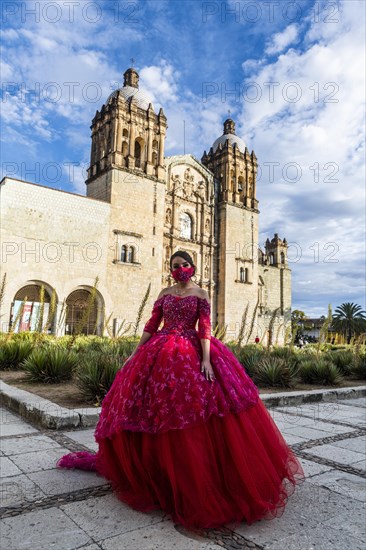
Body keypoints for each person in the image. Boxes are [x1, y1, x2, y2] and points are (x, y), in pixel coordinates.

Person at [57, 250, 305, 530]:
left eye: (185, 264)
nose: (180, 269)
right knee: (156, 408)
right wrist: (135, 352)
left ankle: (206, 477)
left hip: (192, 350)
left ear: (193, 266)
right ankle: (157, 475)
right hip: (160, 351)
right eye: (175, 266)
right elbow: (152, 324)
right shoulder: (164, 292)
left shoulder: (201, 295)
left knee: (201, 407)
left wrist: (207, 360)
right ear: (171, 269)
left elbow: (205, 329)